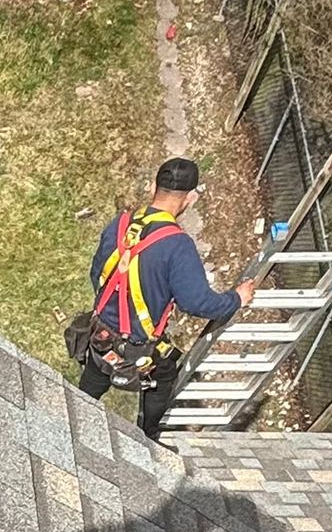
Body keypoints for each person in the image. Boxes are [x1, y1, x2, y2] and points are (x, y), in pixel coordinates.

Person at [76, 157, 253, 436]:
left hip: (100, 332)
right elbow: (197, 302)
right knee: (163, 375)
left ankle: (74, 411)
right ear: (190, 198)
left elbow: (97, 273)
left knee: (97, 372)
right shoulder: (177, 245)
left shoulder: (121, 224)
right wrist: (236, 299)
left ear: (152, 188)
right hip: (137, 344)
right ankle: (147, 435)